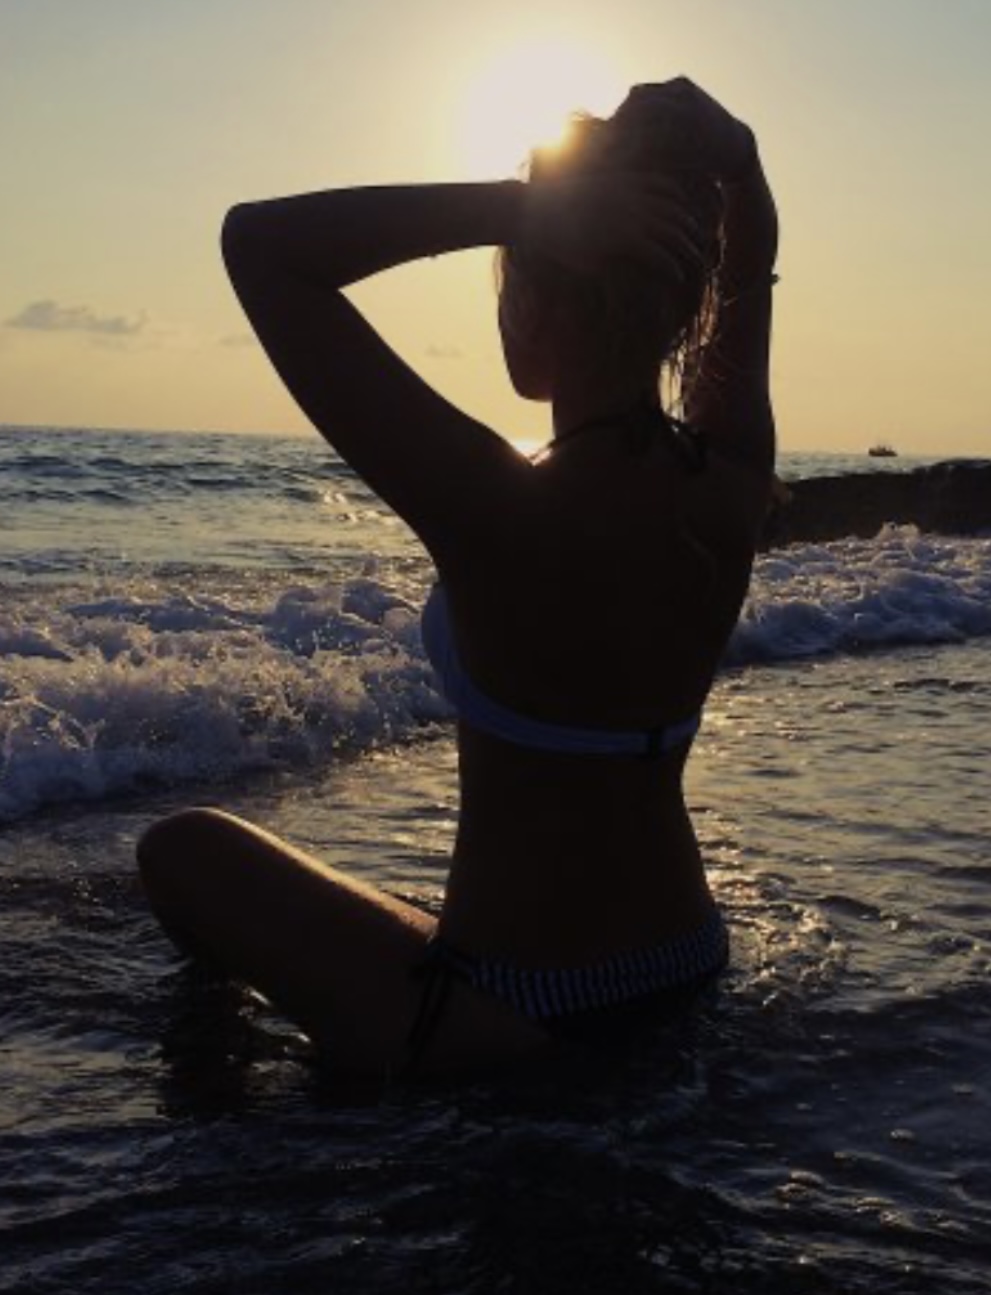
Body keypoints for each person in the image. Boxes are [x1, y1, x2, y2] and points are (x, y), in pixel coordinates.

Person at [137, 77, 779, 1079]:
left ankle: (236, 1147)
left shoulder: (498, 504)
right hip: (686, 961)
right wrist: (739, 158)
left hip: (520, 1007)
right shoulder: (731, 475)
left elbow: (258, 245)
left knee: (182, 850)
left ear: (537, 299)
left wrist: (520, 208)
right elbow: (750, 262)